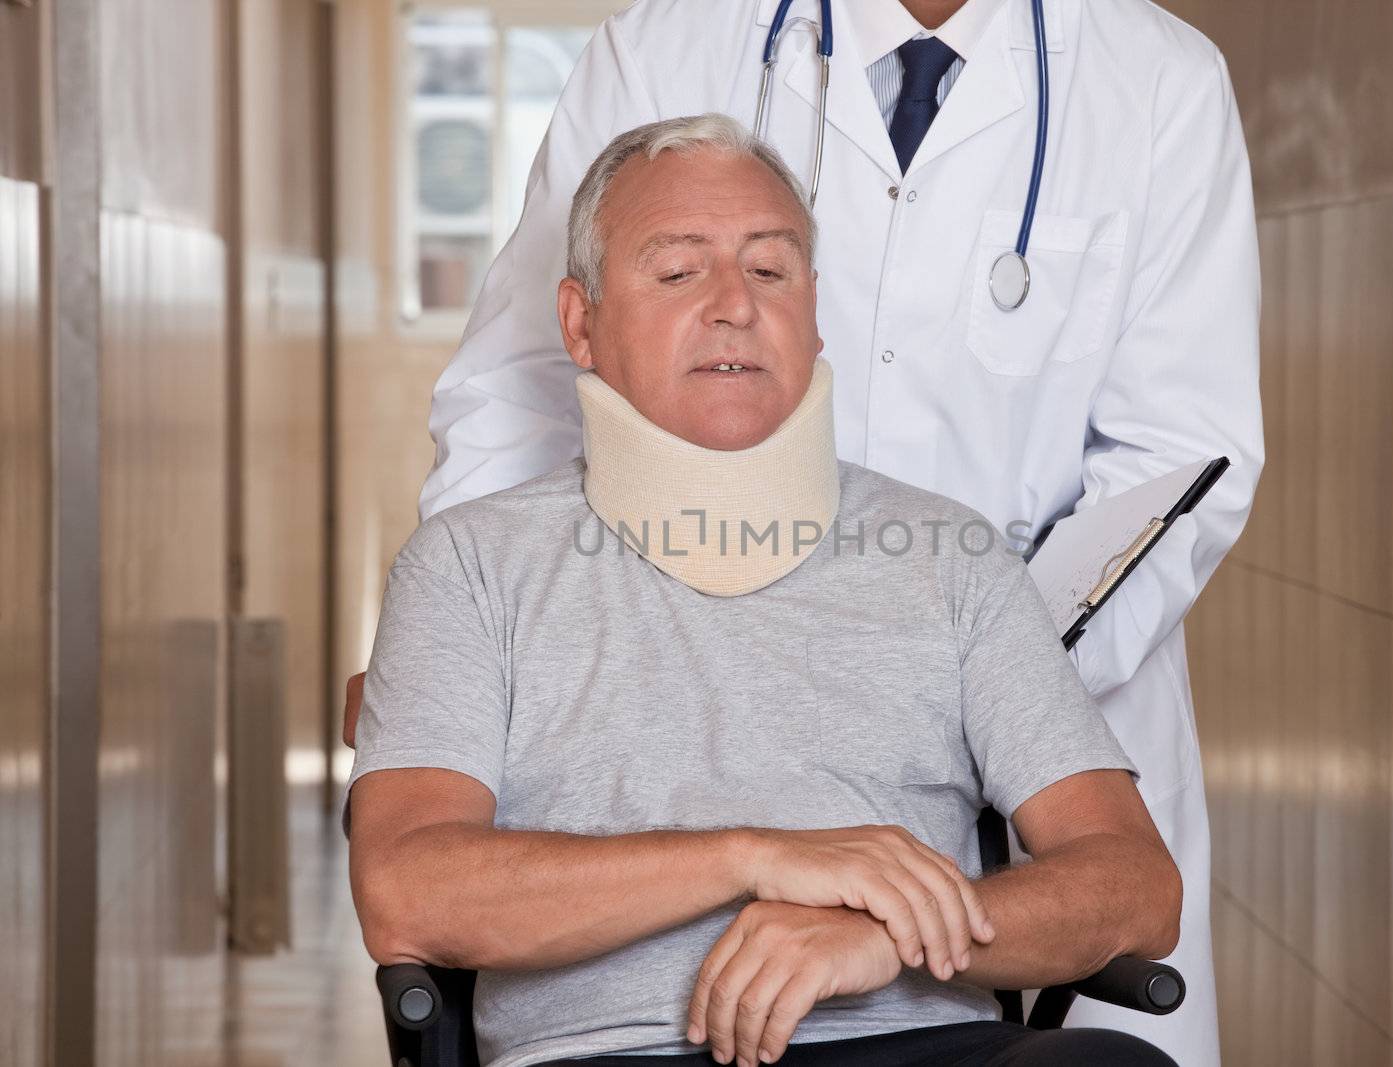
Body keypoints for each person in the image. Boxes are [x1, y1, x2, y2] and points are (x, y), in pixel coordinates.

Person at [351, 2, 1263, 1061]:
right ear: (583, 321)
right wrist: (756, 852)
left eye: (771, 269)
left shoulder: (953, 564)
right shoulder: (476, 567)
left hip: (929, 963)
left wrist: (976, 700)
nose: (733, 304)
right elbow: (409, 880)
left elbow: (1179, 448)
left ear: (812, 306)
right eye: (679, 268)